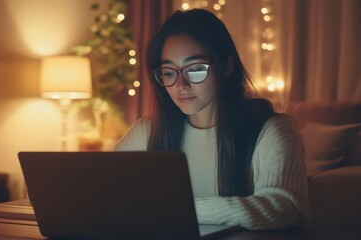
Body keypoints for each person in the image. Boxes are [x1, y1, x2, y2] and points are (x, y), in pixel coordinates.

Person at [114, 9, 309, 230]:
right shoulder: (145, 132)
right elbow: (102, 192)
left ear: (227, 66)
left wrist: (175, 209)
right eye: (169, 72)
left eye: (196, 69)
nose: (181, 85)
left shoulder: (272, 130)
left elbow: (283, 207)